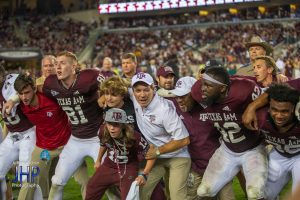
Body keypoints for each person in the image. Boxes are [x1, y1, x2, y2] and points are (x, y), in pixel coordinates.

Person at [191, 67, 267, 199]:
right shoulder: (197, 91)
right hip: (227, 149)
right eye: (203, 83)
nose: (203, 88)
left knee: (255, 193)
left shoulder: (243, 90)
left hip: (252, 148)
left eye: (208, 85)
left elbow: (270, 95)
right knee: (203, 191)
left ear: (222, 88)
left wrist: (252, 107)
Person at [41, 51, 105, 200]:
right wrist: (13, 99)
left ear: (74, 66)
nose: (58, 67)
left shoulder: (89, 77)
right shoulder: (51, 83)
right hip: (75, 139)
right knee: (57, 182)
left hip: (98, 139)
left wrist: (104, 95)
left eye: (62, 63)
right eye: (56, 64)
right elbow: (36, 90)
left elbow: (114, 86)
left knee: (109, 180)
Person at [170, 76, 235, 200]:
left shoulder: (212, 107)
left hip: (219, 167)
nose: (179, 100)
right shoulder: (173, 105)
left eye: (183, 96)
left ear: (195, 94)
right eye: (177, 96)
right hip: (195, 167)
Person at [129, 72, 191, 200]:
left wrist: (157, 151)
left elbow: (184, 139)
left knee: (177, 197)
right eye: (138, 90)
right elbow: (118, 86)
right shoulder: (133, 97)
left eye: (146, 90)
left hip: (178, 155)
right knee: (139, 192)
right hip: (157, 157)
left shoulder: (164, 109)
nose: (142, 94)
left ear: (153, 88)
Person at [13, 74, 71, 200]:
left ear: (34, 89)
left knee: (85, 180)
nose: (24, 97)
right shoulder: (21, 105)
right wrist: (12, 100)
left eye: (27, 92)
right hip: (44, 148)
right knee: (29, 179)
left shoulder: (50, 97)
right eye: (20, 94)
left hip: (67, 145)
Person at [85, 108, 155, 200]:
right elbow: (103, 144)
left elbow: (152, 155)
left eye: (116, 124)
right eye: (109, 123)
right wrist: (98, 160)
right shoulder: (103, 130)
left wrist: (144, 174)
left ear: (123, 125)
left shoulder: (135, 137)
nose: (112, 128)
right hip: (108, 165)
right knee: (92, 187)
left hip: (128, 167)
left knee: (129, 197)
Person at [256, 84, 300, 199]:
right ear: (269, 106)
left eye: (285, 111)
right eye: (274, 109)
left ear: (294, 109)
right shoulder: (260, 118)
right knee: (264, 195)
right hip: (278, 155)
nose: (279, 115)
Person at [0, 66, 36, 200]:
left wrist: (12, 99)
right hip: (12, 135)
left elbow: (24, 88)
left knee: (27, 177)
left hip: (29, 132)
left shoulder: (12, 80)